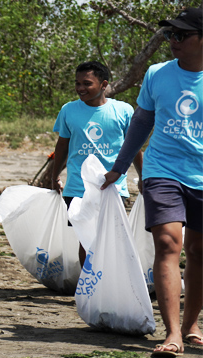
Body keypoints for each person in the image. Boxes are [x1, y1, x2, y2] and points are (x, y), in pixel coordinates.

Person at [101, 8, 202, 357]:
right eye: (169, 34)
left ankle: (191, 325)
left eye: (181, 35)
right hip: (163, 170)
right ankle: (173, 333)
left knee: (199, 252)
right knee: (167, 244)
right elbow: (141, 123)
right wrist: (119, 167)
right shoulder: (157, 74)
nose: (172, 41)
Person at [50, 61, 142, 267]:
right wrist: (54, 176)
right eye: (77, 83)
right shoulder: (69, 110)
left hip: (113, 187)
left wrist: (144, 177)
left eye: (87, 83)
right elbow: (62, 146)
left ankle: (108, 284)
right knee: (86, 240)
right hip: (78, 187)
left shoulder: (123, 111)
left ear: (104, 84)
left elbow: (134, 148)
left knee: (111, 239)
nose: (80, 88)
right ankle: (90, 288)